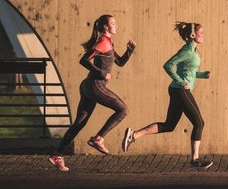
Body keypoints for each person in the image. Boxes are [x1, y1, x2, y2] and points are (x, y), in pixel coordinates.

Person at [49, 14, 136, 171]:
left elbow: (120, 62)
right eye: (113, 23)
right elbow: (84, 60)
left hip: (88, 86)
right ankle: (98, 139)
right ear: (105, 27)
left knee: (79, 123)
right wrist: (101, 73)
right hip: (95, 85)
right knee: (123, 109)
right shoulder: (103, 42)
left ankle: (57, 155)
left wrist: (129, 50)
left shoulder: (108, 42)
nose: (116, 25)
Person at [122, 22, 212, 169]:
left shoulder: (193, 51)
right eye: (200, 32)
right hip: (180, 90)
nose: (203, 35)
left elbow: (188, 71)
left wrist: (202, 75)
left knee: (169, 125)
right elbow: (168, 65)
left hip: (178, 90)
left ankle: (134, 135)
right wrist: (180, 81)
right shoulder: (187, 51)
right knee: (199, 122)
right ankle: (195, 160)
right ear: (192, 35)